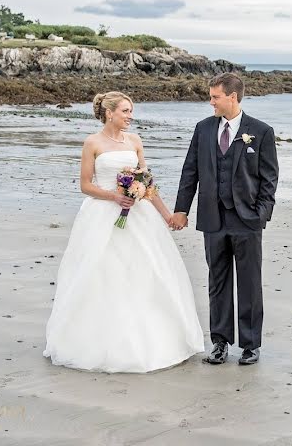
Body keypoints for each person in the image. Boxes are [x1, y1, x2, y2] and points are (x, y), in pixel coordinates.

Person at [43, 91, 204, 373]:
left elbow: (147, 183)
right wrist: (114, 197)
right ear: (109, 113)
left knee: (145, 272)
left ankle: (151, 338)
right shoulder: (92, 142)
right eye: (126, 111)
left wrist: (168, 215)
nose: (130, 116)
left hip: (138, 217)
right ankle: (99, 341)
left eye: (131, 111)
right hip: (103, 215)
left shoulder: (135, 141)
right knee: (103, 274)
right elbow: (85, 185)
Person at [170, 73, 279, 366]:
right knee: (217, 282)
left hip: (247, 220)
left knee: (249, 283)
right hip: (212, 218)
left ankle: (250, 344)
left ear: (232, 97)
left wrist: (261, 215)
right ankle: (219, 342)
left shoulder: (261, 131)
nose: (211, 102)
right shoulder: (203, 129)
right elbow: (189, 171)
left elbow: (269, 180)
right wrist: (182, 209)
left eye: (215, 97)